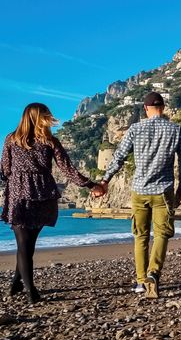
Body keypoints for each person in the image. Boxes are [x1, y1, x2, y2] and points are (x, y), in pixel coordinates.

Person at [1, 103, 105, 303]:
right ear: (39, 118)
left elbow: (5, 170)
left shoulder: (11, 140)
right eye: (46, 116)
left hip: (18, 195)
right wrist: (91, 185)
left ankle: (23, 286)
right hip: (43, 194)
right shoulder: (50, 142)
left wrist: (16, 178)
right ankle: (25, 288)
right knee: (26, 244)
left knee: (24, 243)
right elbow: (68, 169)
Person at [100, 92, 181, 298]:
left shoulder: (135, 128)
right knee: (162, 234)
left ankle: (141, 281)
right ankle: (153, 274)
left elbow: (119, 156)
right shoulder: (176, 130)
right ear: (164, 108)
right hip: (163, 191)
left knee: (140, 236)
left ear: (146, 108)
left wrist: (105, 180)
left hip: (139, 191)